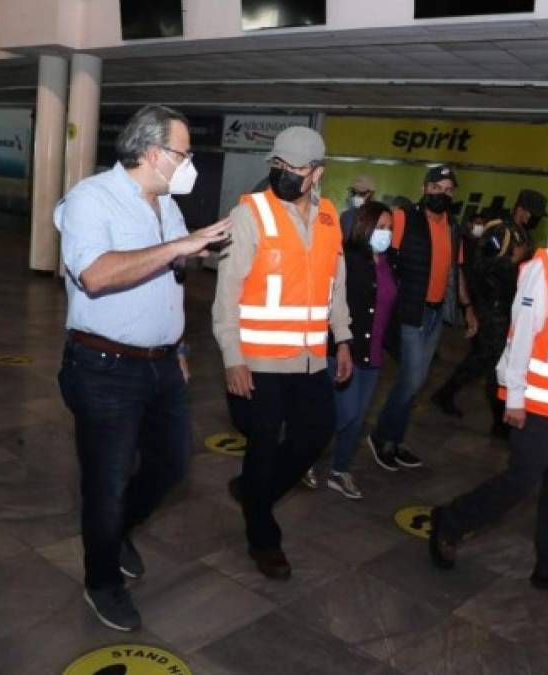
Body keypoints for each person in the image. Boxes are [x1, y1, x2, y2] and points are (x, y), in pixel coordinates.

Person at [55, 105, 232, 632]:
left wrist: (177, 349)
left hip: (162, 365)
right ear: (154, 154)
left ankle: (118, 531)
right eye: (183, 153)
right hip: (103, 367)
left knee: (172, 465)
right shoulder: (91, 199)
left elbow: (168, 277)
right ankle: (101, 581)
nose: (189, 162)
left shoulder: (166, 205)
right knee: (106, 484)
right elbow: (95, 275)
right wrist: (180, 244)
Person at [428, 184, 548, 605]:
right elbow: (520, 335)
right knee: (520, 481)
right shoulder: (546, 266)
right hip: (544, 396)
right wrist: (512, 396)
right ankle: (450, 521)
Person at [213, 126, 353, 580]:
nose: (285, 175)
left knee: (317, 433)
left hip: (311, 359)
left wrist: (344, 337)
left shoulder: (330, 217)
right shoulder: (250, 214)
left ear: (317, 173)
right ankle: (263, 536)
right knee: (263, 446)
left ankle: (257, 495)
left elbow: (336, 287)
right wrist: (233, 356)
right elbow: (227, 292)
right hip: (259, 362)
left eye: (295, 169)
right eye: (278, 166)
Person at [367, 165, 478, 471]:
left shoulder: (454, 228)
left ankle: (395, 439)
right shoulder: (403, 218)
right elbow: (383, 261)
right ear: (424, 188)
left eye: (448, 190)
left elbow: (456, 273)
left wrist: (467, 308)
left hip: (434, 314)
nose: (442, 194)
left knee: (415, 381)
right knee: (413, 379)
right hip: (409, 311)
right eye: (436, 188)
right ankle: (381, 436)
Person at [431, 190, 546, 428]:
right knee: (493, 359)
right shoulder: (500, 231)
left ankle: (446, 394)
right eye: (533, 214)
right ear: (521, 209)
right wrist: (513, 261)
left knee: (483, 358)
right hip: (492, 306)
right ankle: (500, 421)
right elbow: (481, 266)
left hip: (507, 305)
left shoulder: (523, 234)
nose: (534, 219)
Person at [323, 200, 398, 499]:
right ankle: (301, 453)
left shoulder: (391, 261)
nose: (386, 234)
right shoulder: (347, 258)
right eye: (380, 227)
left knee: (357, 418)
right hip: (345, 350)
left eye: (390, 228)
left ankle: (340, 470)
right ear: (364, 227)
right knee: (344, 414)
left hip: (374, 353)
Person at [339, 174, 375, 239]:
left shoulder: (376, 216)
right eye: (354, 193)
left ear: (370, 194)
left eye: (361, 193)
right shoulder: (346, 215)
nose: (357, 196)